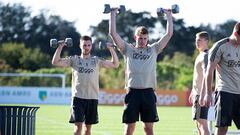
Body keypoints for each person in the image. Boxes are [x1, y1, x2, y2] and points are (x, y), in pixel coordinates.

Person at [109, 7, 173, 135]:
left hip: (148, 92)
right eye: (140, 38)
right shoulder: (128, 49)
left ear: (148, 38)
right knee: (129, 129)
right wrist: (112, 14)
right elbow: (113, 34)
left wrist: (169, 16)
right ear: (135, 37)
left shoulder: (154, 49)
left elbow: (168, 34)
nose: (142, 41)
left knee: (148, 129)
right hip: (132, 93)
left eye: (145, 38)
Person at [51, 35, 119, 135]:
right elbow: (55, 62)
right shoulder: (74, 60)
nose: (86, 47)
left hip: (92, 98)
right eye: (84, 45)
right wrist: (60, 47)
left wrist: (111, 48)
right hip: (78, 98)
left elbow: (115, 64)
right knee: (78, 128)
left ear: (91, 46)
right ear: (80, 45)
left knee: (87, 130)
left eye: (88, 45)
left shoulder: (96, 60)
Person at [204, 22, 240, 135]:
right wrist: (208, 94)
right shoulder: (220, 46)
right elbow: (209, 71)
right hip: (225, 92)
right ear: (235, 34)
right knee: (222, 127)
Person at [189, 31, 211, 135]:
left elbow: (207, 75)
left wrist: (202, 94)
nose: (196, 42)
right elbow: (199, 77)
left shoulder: (205, 56)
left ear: (206, 41)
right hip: (197, 93)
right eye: (196, 40)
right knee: (199, 124)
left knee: (202, 124)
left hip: (201, 95)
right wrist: (193, 91)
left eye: (199, 40)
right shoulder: (201, 55)